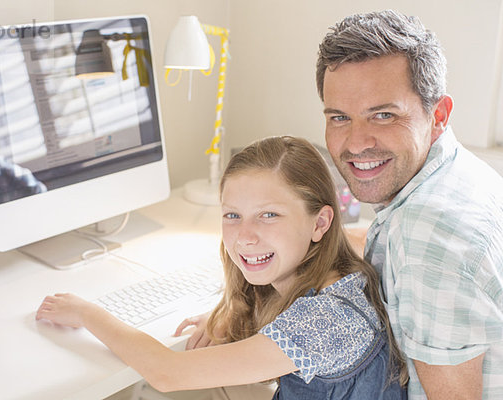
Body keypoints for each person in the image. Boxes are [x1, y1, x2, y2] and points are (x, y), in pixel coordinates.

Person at [36, 136, 407, 399]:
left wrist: (87, 313)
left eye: (268, 215)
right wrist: (234, 320)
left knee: (158, 386)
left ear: (320, 223)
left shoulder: (327, 320)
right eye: (233, 215)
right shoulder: (341, 278)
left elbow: (168, 373)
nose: (244, 237)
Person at [316, 10, 503, 400]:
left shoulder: (427, 239)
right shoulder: (457, 173)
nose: (356, 142)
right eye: (339, 117)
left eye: (383, 115)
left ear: (438, 115)